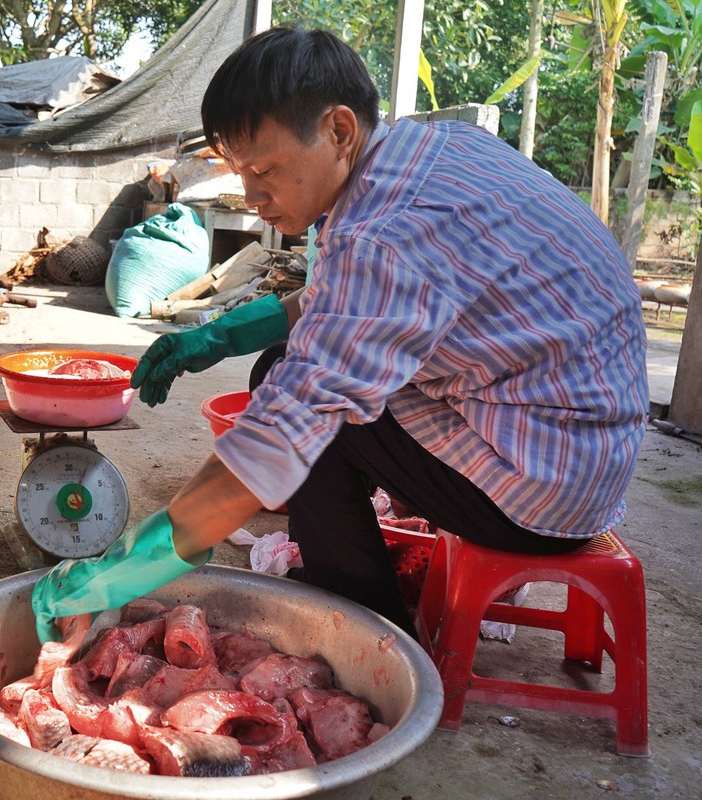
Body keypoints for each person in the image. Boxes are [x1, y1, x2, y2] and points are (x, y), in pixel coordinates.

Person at [31, 27, 649, 641]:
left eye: (266, 168)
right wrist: (213, 336)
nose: (253, 196)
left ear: (339, 130)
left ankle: (364, 626)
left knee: (307, 417)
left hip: (541, 491)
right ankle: (352, 577)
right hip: (583, 447)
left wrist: (123, 570)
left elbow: (279, 435)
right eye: (241, 172)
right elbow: (338, 303)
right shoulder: (429, 151)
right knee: (285, 368)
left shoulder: (385, 232)